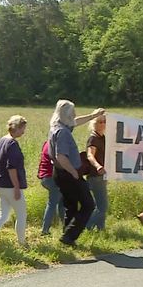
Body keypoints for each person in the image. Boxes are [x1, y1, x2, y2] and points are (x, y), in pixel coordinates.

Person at [49, 100, 104, 246]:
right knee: (88, 204)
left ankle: (67, 238)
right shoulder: (62, 133)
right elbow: (61, 156)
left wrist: (94, 116)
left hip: (60, 172)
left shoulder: (57, 126)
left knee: (71, 206)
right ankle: (70, 235)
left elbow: (76, 121)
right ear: (66, 115)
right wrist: (74, 172)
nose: (75, 115)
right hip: (68, 173)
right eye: (72, 113)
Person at [0, 115, 29, 250]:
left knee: (3, 215)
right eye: (23, 129)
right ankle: (22, 243)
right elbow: (11, 167)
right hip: (11, 185)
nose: (23, 132)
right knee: (21, 214)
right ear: (17, 128)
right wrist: (16, 187)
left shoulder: (1, 140)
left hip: (1, 184)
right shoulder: (12, 144)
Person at [37, 140, 65, 235]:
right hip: (51, 177)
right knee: (53, 203)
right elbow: (59, 161)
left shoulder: (47, 143)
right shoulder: (55, 146)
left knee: (62, 201)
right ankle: (45, 230)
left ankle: (66, 227)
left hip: (45, 176)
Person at [85, 115, 108, 230]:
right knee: (102, 206)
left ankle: (101, 230)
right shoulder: (93, 138)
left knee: (100, 205)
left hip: (103, 175)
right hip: (95, 176)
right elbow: (90, 155)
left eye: (104, 122)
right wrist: (98, 166)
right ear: (94, 123)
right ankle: (86, 227)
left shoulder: (103, 137)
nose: (103, 124)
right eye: (100, 122)